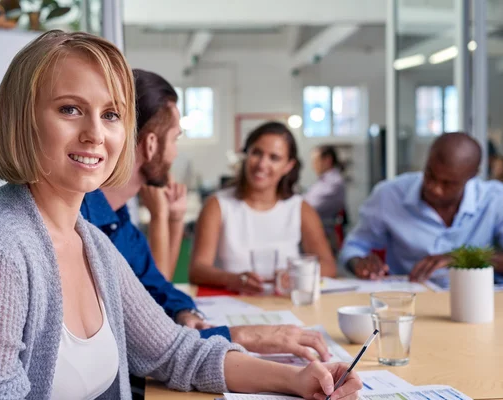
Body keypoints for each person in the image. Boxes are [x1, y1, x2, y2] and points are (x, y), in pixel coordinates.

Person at [0, 31, 362, 399]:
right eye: (70, 109)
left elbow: (174, 352)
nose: (95, 134)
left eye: (110, 114)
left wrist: (298, 379)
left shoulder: (89, 241)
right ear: (24, 120)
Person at [81, 69, 334, 362]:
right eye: (175, 139)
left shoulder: (119, 220)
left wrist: (186, 312)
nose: (175, 153)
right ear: (151, 145)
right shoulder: (82, 224)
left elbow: (158, 290)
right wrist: (246, 336)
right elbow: (143, 340)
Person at [339, 132, 503, 282]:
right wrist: (359, 263)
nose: (435, 189)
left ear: (472, 175)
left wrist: (464, 257)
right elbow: (352, 247)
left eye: (449, 183)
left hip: (478, 304)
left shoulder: (496, 199)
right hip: (412, 302)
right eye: (430, 174)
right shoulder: (389, 194)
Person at [190, 122, 336, 295]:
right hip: (232, 305)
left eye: (274, 158)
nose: (262, 164)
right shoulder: (217, 205)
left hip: (286, 307)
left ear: (288, 166)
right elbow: (197, 270)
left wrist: (295, 275)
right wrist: (234, 280)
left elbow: (329, 267)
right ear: (246, 155)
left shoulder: (300, 208)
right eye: (256, 153)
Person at [303, 145, 346, 252]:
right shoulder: (323, 181)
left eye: (315, 161)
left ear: (327, 160)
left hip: (324, 237)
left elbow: (309, 206)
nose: (313, 166)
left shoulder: (334, 182)